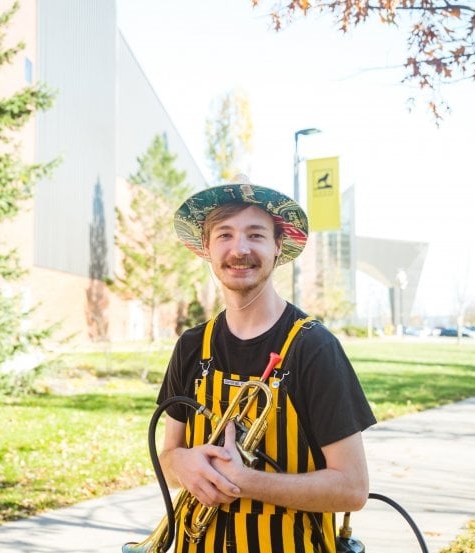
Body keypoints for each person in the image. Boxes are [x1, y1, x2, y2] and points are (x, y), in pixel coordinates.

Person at [156, 177, 377, 553]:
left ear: (278, 247)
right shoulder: (192, 346)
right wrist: (183, 466)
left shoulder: (314, 348)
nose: (239, 249)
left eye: (255, 235)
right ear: (207, 248)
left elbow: (352, 488)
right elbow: (167, 458)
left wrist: (245, 480)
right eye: (224, 235)